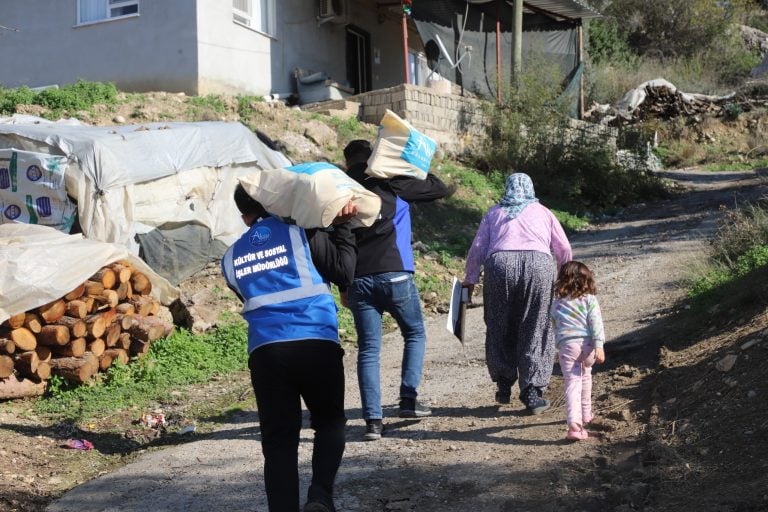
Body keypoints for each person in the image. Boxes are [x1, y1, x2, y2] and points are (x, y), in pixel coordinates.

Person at [221, 183, 357, 512]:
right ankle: (320, 496)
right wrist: (344, 225)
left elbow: (248, 297)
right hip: (316, 342)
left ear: (244, 217)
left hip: (266, 353)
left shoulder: (229, 258)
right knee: (329, 423)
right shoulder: (302, 232)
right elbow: (344, 272)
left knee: (279, 442)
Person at [342, 139, 450, 441]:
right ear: (374, 157)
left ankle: (373, 422)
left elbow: (336, 239)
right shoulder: (391, 184)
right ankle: (408, 400)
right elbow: (438, 187)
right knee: (414, 332)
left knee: (368, 350)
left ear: (346, 162)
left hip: (358, 279)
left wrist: (342, 285)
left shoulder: (342, 191)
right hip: (396, 274)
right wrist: (406, 167)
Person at [462, 173, 572, 415]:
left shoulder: (494, 213)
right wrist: (565, 278)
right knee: (536, 325)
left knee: (499, 322)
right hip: (539, 265)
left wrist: (469, 282)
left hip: (500, 265)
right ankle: (531, 391)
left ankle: (503, 382)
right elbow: (563, 248)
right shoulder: (543, 212)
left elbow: (477, 249)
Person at [550, 261, 606, 441]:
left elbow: (554, 324)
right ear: (586, 280)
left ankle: (574, 425)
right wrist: (599, 345)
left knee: (572, 383)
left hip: (567, 347)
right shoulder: (589, 299)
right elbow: (596, 323)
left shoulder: (556, 303)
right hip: (588, 345)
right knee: (586, 375)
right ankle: (586, 413)